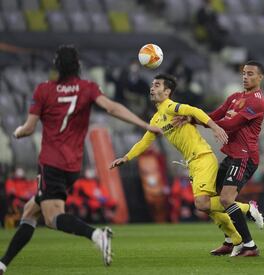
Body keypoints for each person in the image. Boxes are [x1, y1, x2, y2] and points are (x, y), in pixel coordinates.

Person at [0, 45, 162, 274]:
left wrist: (17, 132)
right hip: (74, 165)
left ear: (56, 67)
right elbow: (112, 108)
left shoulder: (44, 90)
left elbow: (28, 128)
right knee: (30, 211)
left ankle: (96, 234)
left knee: (51, 217)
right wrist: (145, 125)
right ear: (78, 65)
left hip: (51, 162)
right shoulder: (87, 88)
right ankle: (3, 263)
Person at [109, 74, 264, 255]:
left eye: (157, 85)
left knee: (202, 204)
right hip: (192, 162)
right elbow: (144, 141)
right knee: (210, 208)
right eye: (152, 85)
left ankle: (248, 208)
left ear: (167, 92)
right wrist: (126, 157)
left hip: (203, 157)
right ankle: (233, 240)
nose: (152, 88)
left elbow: (194, 110)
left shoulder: (172, 107)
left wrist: (214, 126)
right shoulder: (156, 119)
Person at [173, 60, 264, 257]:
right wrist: (192, 119)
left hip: (245, 157)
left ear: (260, 77)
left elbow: (232, 123)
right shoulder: (234, 97)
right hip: (232, 155)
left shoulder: (258, 101)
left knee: (225, 199)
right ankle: (230, 240)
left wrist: (212, 124)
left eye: (250, 74)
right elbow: (214, 115)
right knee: (210, 199)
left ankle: (250, 246)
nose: (245, 77)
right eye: (243, 73)